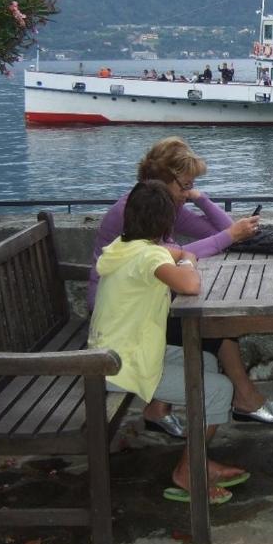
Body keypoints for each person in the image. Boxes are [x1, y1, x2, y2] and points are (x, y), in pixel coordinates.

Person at [88, 137, 273, 435]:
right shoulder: (136, 211)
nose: (187, 191)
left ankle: (160, 410)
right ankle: (244, 399)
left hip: (141, 303)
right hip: (122, 313)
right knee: (214, 330)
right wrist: (202, 248)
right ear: (163, 181)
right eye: (185, 185)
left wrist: (200, 198)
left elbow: (222, 230)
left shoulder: (164, 205)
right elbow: (177, 255)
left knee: (207, 331)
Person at [89, 180, 247, 505]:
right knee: (219, 389)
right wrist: (187, 258)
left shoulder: (124, 246)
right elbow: (189, 284)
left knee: (203, 360)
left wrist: (178, 253)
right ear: (165, 223)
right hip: (119, 364)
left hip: (114, 352)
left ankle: (196, 459)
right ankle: (187, 472)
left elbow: (167, 253)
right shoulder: (148, 258)